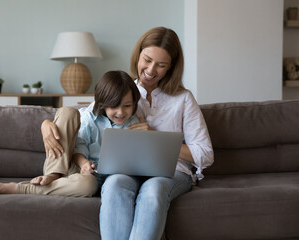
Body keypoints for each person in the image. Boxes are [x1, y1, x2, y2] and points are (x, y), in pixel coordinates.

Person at [41, 27, 214, 240]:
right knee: (114, 184)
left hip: (171, 173)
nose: (151, 70)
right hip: (127, 171)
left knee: (153, 190)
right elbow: (85, 116)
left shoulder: (183, 99)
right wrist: (47, 123)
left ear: (171, 67)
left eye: (161, 65)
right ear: (138, 55)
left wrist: (155, 138)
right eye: (147, 60)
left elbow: (205, 154)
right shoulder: (122, 88)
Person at [0, 70, 140, 197]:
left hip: (95, 180)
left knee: (88, 186)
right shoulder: (90, 119)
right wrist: (84, 164)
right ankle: (53, 174)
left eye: (127, 106)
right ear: (104, 104)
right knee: (68, 112)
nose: (120, 112)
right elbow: (79, 146)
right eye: (114, 106)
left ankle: (19, 188)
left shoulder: (134, 124)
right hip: (75, 168)